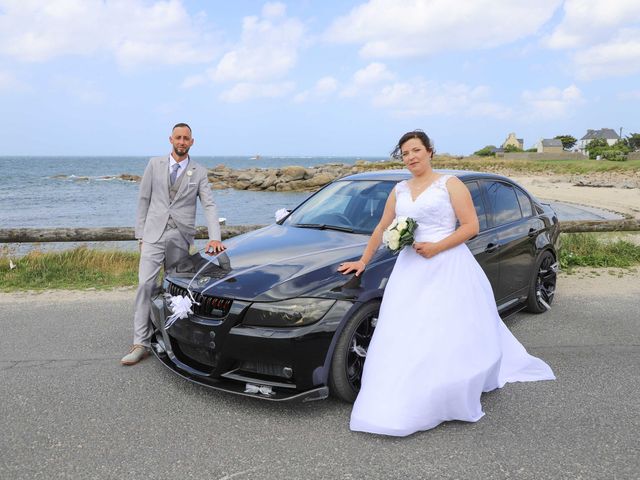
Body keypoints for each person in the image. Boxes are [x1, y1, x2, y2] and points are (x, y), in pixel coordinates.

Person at [338, 130, 555, 436]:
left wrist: (437, 247)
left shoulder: (449, 184)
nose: (410, 157)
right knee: (406, 329)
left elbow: (471, 226)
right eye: (404, 153)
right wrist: (363, 261)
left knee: (442, 328)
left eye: (415, 150)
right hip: (410, 269)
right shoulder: (399, 189)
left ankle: (445, 391)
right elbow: (382, 226)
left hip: (447, 264)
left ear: (429, 151)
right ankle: (403, 392)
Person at [121, 123, 226, 366]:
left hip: (180, 236)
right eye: (178, 137)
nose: (181, 142)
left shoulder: (199, 171)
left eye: (185, 138)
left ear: (192, 142)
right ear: (171, 139)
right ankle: (140, 343)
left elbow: (209, 205)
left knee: (174, 289)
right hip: (153, 235)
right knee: (145, 285)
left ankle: (170, 339)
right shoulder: (154, 165)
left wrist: (215, 237)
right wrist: (140, 236)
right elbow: (143, 201)